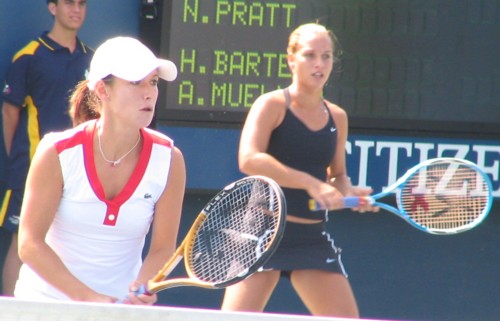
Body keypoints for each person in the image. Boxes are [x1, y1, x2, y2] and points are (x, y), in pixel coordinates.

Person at [221, 23, 378, 318]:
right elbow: (249, 158)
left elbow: (337, 175)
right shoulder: (271, 104)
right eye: (310, 55)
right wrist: (310, 183)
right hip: (261, 233)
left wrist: (350, 193)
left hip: (310, 237)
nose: (320, 64)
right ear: (291, 60)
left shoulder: (338, 117)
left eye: (327, 56)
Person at [14, 36, 186, 304]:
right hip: (44, 305)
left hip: (119, 312)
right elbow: (30, 244)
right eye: (135, 82)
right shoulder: (56, 153)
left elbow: (163, 249)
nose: (149, 92)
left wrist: (142, 287)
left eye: (153, 82)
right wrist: (88, 298)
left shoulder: (170, 160)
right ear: (103, 91)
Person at [0, 0, 92, 296]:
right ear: (52, 8)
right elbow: (10, 112)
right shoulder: (29, 56)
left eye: (81, 4)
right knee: (22, 241)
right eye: (68, 3)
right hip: (30, 171)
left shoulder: (93, 60)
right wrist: (21, 160)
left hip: (80, 171)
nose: (76, 9)